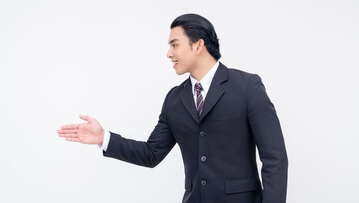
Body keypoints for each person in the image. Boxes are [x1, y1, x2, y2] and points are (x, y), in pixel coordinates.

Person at [57, 13, 288, 203]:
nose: (169, 54)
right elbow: (151, 154)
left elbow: (275, 158)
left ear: (198, 45)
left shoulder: (247, 87)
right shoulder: (174, 100)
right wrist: (103, 138)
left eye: (174, 45)